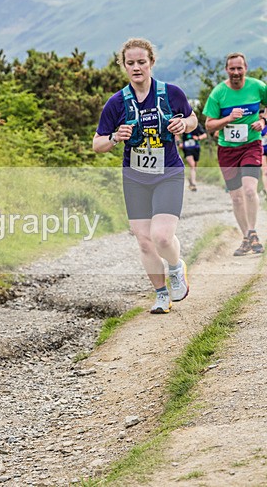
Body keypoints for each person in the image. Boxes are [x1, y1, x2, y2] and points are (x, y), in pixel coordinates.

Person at [93, 38, 197, 314]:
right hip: (135, 177)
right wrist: (116, 137)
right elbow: (97, 144)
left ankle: (176, 268)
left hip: (168, 173)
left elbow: (193, 119)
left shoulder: (171, 93)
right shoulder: (116, 103)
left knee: (162, 237)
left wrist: (183, 123)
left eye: (142, 62)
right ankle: (161, 294)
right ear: (123, 66)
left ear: (151, 62)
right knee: (143, 239)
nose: (136, 67)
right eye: (130, 63)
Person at [202, 52, 267, 256]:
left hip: (251, 144)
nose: (236, 72)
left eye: (240, 68)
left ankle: (253, 232)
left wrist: (263, 121)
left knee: (249, 190)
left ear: (245, 68)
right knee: (237, 198)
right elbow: (209, 126)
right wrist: (228, 118)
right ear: (226, 70)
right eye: (232, 69)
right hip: (227, 150)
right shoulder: (218, 93)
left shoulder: (257, 87)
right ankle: (246, 236)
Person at [179, 119, 207, 191]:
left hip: (196, 148)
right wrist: (179, 143)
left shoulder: (198, 125)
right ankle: (194, 184)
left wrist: (198, 138)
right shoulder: (184, 124)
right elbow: (176, 134)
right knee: (192, 165)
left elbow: (204, 135)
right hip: (187, 148)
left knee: (194, 166)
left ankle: (191, 180)